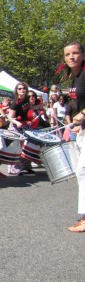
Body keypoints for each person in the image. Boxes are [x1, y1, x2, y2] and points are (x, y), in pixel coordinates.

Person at [61, 41, 85, 232]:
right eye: (68, 54)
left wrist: (83, 114)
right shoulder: (76, 77)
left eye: (75, 53)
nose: (71, 57)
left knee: (82, 171)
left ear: (82, 55)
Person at [6, 82, 38, 175]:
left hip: (24, 125)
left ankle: (25, 166)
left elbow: (28, 108)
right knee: (16, 147)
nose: (22, 90)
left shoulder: (27, 100)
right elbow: (10, 117)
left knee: (26, 147)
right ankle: (12, 168)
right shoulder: (15, 103)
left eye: (23, 88)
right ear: (16, 90)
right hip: (15, 126)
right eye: (19, 89)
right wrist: (17, 123)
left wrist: (39, 107)